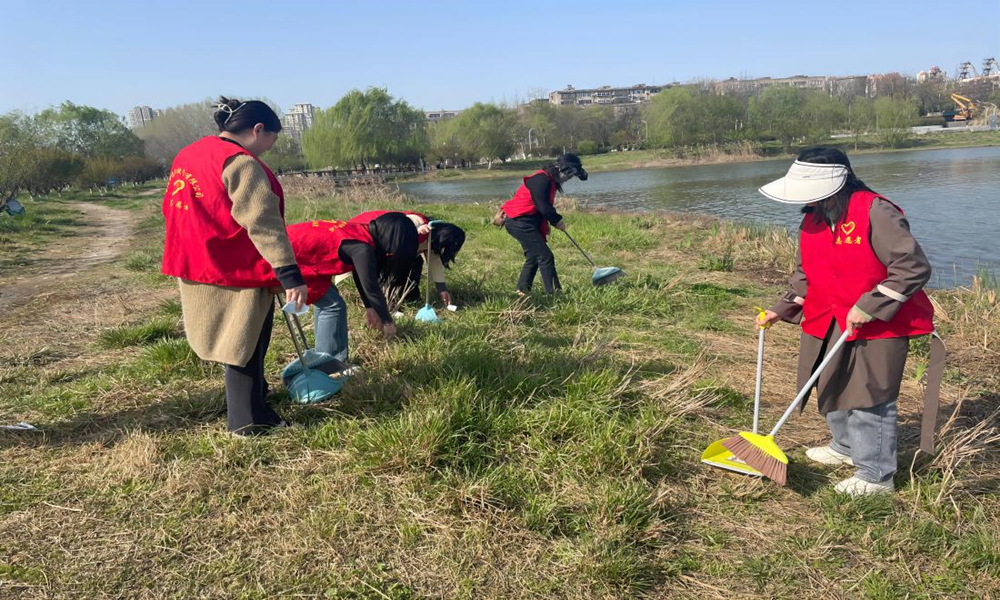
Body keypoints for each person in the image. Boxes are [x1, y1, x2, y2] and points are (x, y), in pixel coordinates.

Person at [757, 147, 940, 496]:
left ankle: (876, 475)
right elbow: (805, 274)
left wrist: (870, 305)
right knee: (828, 382)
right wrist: (780, 309)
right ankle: (844, 446)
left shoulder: (876, 211)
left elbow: (912, 267)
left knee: (868, 395)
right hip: (826, 317)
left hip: (878, 323)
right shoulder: (813, 218)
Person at [162, 97, 307, 436]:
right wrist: (289, 274)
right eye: (271, 139)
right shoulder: (241, 163)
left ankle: (258, 402)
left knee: (236, 339)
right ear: (258, 129)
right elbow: (263, 222)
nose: (269, 148)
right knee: (244, 341)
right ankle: (246, 423)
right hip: (235, 267)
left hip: (194, 260)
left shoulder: (189, 154)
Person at [278, 213, 419, 365]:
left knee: (329, 297)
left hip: (284, 249)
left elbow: (360, 275)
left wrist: (370, 307)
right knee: (333, 306)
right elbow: (371, 288)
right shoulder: (362, 248)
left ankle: (323, 354)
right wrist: (388, 322)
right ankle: (332, 363)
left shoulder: (360, 232)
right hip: (284, 259)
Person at [501, 153, 588, 295]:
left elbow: (541, 208)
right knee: (545, 256)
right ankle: (554, 294)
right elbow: (542, 206)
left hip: (525, 221)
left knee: (534, 256)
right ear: (562, 169)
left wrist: (546, 224)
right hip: (518, 221)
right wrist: (556, 220)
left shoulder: (550, 180)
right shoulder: (541, 179)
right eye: (569, 175)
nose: (568, 179)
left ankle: (522, 290)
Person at [348, 210, 466, 306]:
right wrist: (415, 232)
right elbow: (395, 236)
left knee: (416, 261)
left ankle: (410, 297)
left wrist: (442, 289)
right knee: (400, 263)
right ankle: (385, 301)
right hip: (362, 234)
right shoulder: (417, 224)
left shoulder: (433, 240)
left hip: (387, 248)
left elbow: (434, 262)